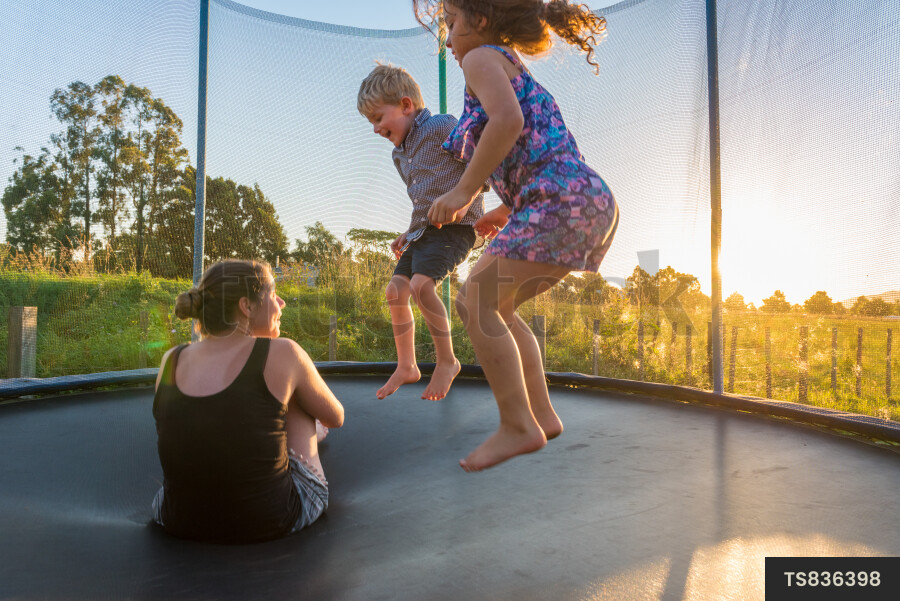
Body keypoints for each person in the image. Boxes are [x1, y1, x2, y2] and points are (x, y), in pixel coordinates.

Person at [412, 0, 619, 471]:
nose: (448, 39)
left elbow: (508, 124)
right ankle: (541, 416)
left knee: (472, 302)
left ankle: (517, 425)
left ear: (481, 20)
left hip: (560, 200)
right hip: (584, 200)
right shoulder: (511, 67)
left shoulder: (480, 58)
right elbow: (541, 151)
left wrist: (465, 191)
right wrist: (507, 209)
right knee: (496, 307)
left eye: (452, 23)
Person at [151, 259, 344, 543]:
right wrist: (310, 427)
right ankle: (304, 438)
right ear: (247, 306)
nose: (282, 302)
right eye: (272, 293)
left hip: (177, 518)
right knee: (295, 395)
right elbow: (335, 416)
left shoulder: (171, 359)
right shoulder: (284, 352)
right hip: (269, 518)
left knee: (261, 399)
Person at [357, 63, 488, 401]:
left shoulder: (441, 126)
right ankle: (407, 365)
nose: (374, 129)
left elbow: (483, 164)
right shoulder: (399, 155)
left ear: (405, 105)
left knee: (419, 286)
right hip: (424, 232)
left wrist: (466, 197)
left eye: (377, 118)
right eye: (370, 122)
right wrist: (409, 231)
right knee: (395, 292)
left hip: (457, 227)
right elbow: (423, 197)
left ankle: (447, 361)